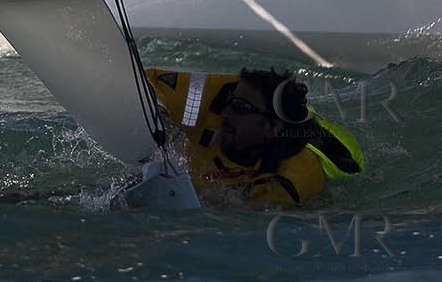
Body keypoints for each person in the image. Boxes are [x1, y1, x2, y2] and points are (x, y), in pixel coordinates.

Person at [146, 66, 363, 205]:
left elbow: (232, 220)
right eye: (231, 102)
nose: (225, 113)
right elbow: (142, 81)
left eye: (240, 108)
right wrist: (161, 121)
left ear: (272, 128)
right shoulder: (225, 93)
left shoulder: (292, 179)